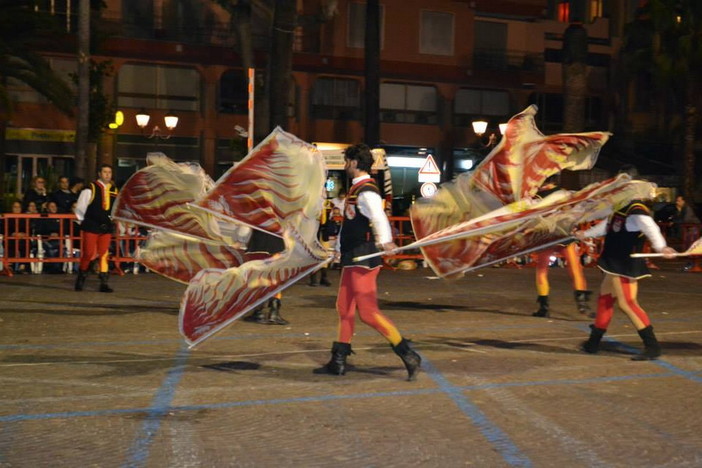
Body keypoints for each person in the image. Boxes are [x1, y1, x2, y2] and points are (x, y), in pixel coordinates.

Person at [314, 143, 421, 381]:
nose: (344, 166)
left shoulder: (367, 191)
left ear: (353, 163)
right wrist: (339, 250)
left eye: (346, 162)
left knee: (368, 313)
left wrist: (385, 241)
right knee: (344, 308)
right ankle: (338, 360)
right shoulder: (356, 190)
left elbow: (379, 217)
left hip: (364, 257)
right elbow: (349, 225)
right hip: (353, 256)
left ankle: (407, 353)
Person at [576, 165, 677, 360]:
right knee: (605, 301)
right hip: (613, 262)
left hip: (624, 264)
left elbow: (651, 228)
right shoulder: (621, 207)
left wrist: (661, 247)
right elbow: (606, 227)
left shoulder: (636, 209)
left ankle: (652, 346)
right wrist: (584, 234)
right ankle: (593, 343)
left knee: (628, 303)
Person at [531, 175, 592, 318]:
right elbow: (571, 212)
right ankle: (582, 305)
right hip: (564, 235)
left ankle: (544, 307)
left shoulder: (536, 197)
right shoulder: (564, 194)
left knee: (542, 271)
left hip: (546, 237)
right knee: (575, 270)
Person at [74, 164, 119, 292]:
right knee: (88, 253)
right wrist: (83, 221)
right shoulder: (90, 188)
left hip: (106, 226)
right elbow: (81, 207)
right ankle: (81, 277)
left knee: (104, 253)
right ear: (99, 173)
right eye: (105, 172)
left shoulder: (114, 190)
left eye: (109, 172)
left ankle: (104, 282)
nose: (107, 174)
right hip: (92, 225)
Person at [242, 230, 288, 325]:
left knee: (259, 279)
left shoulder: (258, 215)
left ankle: (259, 311)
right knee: (275, 278)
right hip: (277, 246)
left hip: (258, 246)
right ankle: (274, 312)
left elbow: (243, 231)